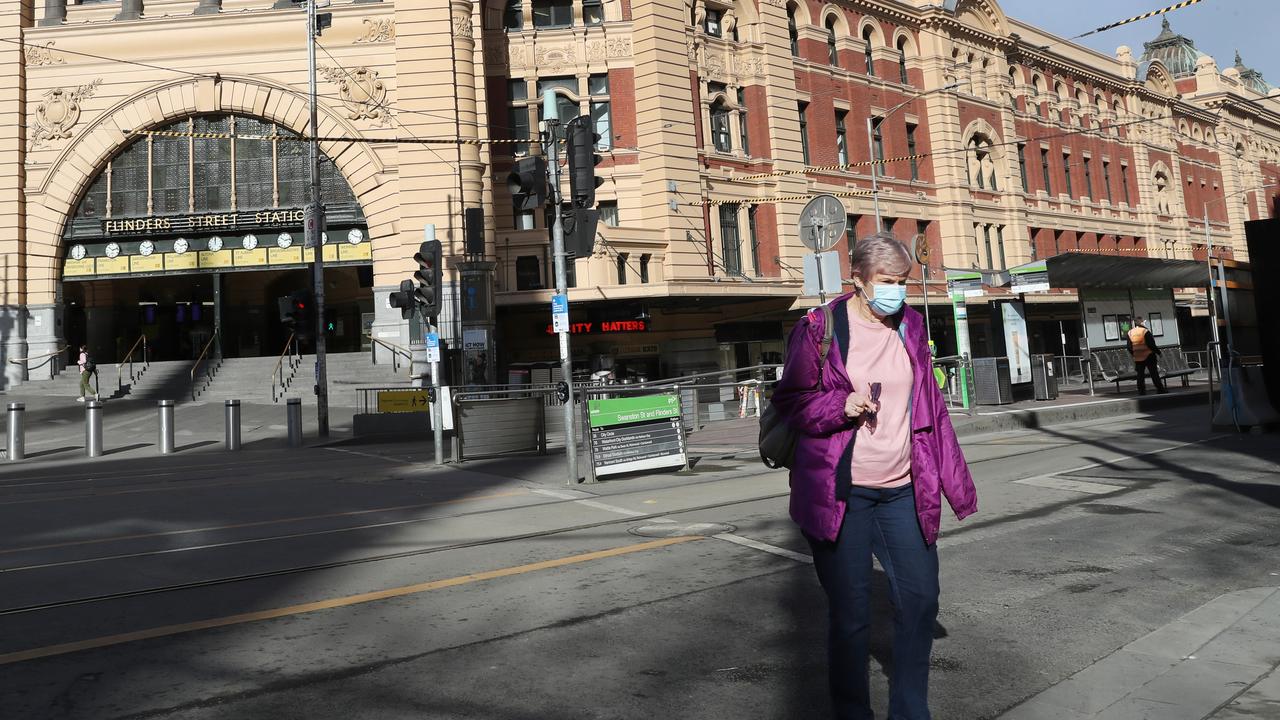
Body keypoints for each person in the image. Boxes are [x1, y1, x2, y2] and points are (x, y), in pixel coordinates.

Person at [770, 233, 977, 720]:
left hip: (903, 487)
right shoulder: (820, 327)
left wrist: (956, 484)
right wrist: (838, 405)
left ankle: (910, 711)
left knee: (922, 599)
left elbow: (932, 410)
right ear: (858, 279)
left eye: (903, 282)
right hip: (841, 491)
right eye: (886, 282)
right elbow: (790, 401)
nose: (896, 293)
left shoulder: (911, 325)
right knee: (852, 616)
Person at [1126, 316, 1167, 395]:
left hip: (1138, 356)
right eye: (1143, 321)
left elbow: (1129, 346)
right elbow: (1151, 344)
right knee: (1154, 373)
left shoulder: (1130, 332)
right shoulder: (1145, 331)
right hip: (1149, 355)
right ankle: (1160, 389)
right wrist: (1159, 353)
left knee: (1140, 374)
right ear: (1141, 322)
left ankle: (1141, 391)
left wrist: (1134, 353)